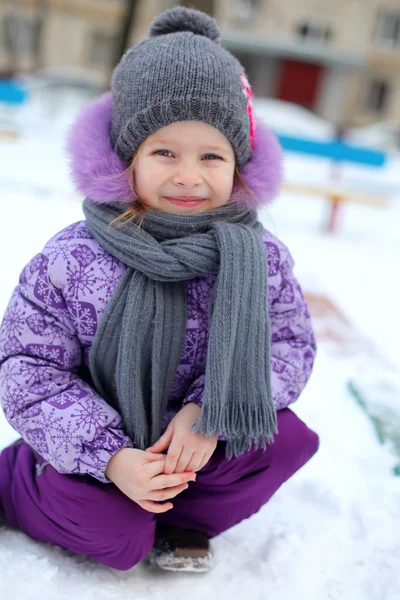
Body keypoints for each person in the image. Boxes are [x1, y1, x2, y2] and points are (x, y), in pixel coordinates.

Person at [0, 7, 319, 573]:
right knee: (118, 539)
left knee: (286, 440)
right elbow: (28, 367)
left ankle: (179, 518)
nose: (189, 175)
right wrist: (111, 456)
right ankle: (19, 485)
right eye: (165, 152)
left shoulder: (257, 257)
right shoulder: (75, 256)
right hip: (96, 452)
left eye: (211, 155)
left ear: (239, 165)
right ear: (128, 158)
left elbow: (289, 344)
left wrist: (210, 409)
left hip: (192, 444)